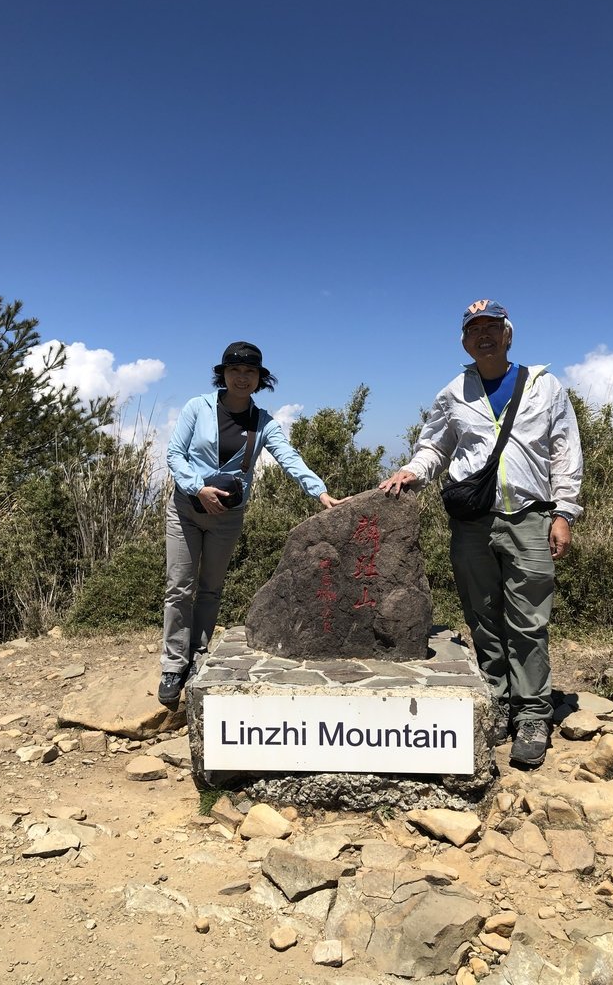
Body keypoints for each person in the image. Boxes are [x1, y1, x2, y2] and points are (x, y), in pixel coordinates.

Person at [380, 300, 583, 768]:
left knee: (529, 620)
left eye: (493, 327)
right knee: (483, 616)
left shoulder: (544, 387)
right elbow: (433, 444)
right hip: (472, 521)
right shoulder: (455, 391)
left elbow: (564, 452)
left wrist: (564, 513)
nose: (484, 336)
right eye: (475, 330)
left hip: (531, 516)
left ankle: (533, 712)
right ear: (464, 341)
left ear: (509, 335)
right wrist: (411, 472)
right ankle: (497, 700)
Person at [159, 341, 344, 707]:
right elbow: (174, 454)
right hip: (186, 509)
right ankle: (172, 665)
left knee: (210, 589)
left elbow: (289, 458)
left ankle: (197, 653)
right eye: (234, 370)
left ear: (260, 379)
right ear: (223, 374)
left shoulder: (263, 423)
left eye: (250, 372)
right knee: (180, 587)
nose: (242, 377)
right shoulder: (198, 407)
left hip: (227, 515)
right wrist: (199, 488)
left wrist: (320, 493)